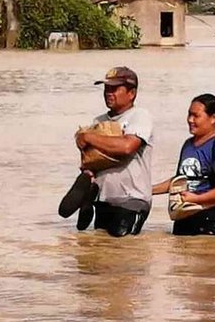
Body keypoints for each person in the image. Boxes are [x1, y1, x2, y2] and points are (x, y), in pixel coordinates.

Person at [60, 66, 154, 237]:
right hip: (103, 200)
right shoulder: (99, 121)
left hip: (131, 201)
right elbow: (92, 159)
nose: (108, 93)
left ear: (131, 93)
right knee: (102, 251)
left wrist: (88, 137)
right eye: (106, 89)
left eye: (114, 88)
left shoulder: (140, 116)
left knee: (124, 249)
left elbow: (127, 147)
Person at [152, 94, 215, 236]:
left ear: (213, 118)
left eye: (196, 116)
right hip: (183, 218)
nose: (190, 120)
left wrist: (197, 199)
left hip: (211, 221)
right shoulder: (188, 145)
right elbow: (180, 180)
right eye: (189, 115)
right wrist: (148, 190)